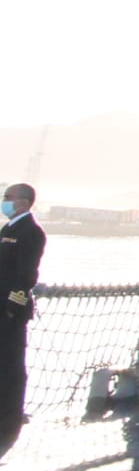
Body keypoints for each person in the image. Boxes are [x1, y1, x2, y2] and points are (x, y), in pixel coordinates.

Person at [0, 183, 47, 457]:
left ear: (23, 202)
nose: (4, 201)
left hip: (9, 312)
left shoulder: (31, 231)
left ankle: (8, 419)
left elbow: (26, 276)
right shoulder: (9, 230)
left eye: (8, 197)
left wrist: (10, 308)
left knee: (10, 368)